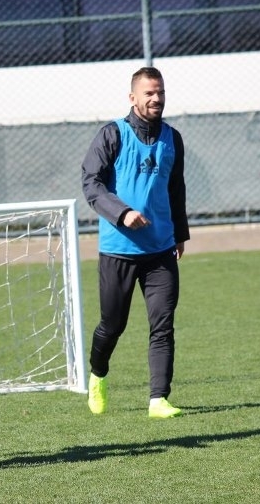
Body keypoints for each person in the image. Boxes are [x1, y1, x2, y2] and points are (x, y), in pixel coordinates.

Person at [81, 66, 190, 419]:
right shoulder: (112, 134)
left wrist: (180, 234)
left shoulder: (173, 139)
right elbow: (91, 183)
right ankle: (98, 374)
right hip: (119, 250)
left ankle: (159, 399)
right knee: (112, 325)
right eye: (149, 93)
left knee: (163, 324)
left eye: (160, 92)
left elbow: (176, 189)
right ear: (133, 97)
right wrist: (122, 212)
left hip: (161, 250)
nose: (156, 99)